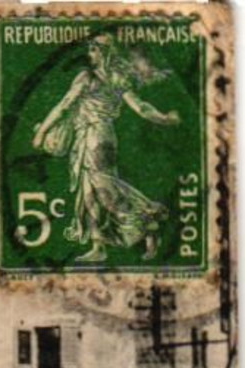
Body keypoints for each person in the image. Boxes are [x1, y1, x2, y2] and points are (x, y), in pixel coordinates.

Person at [31, 34, 179, 264]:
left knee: (104, 190)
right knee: (90, 193)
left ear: (104, 53)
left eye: (94, 50)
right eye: (90, 50)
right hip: (101, 137)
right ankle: (99, 245)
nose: (90, 55)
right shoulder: (118, 79)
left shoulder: (87, 78)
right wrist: (164, 118)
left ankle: (147, 221)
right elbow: (141, 108)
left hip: (94, 137)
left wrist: (41, 133)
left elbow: (63, 107)